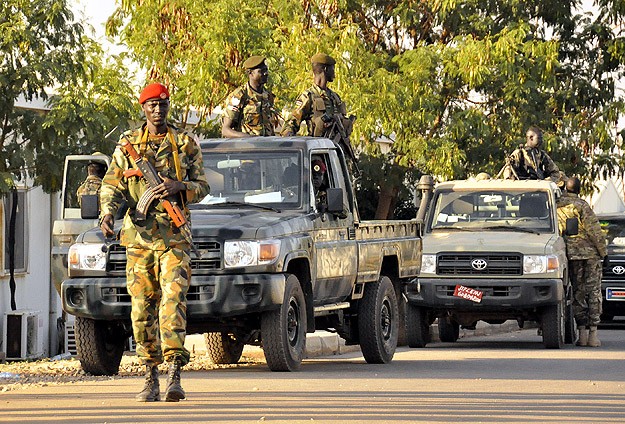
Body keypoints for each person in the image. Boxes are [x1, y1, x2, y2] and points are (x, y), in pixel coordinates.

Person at [99, 82, 209, 402]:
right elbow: (111, 185)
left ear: (168, 106)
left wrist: (179, 186)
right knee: (141, 308)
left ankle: (174, 374)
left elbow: (202, 188)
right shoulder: (129, 145)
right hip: (139, 238)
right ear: (143, 108)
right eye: (151, 105)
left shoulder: (185, 144)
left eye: (162, 105)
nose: (157, 110)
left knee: (172, 301)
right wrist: (107, 213)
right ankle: (150, 376)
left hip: (175, 237)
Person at [556, 176, 607, 347]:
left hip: (572, 255)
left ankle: (582, 334)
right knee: (593, 292)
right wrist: (604, 254)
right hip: (590, 255)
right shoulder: (582, 205)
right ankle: (593, 335)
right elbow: (594, 231)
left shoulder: (557, 206)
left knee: (578, 292)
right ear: (578, 189)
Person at [281, 53, 356, 162]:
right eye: (332, 69)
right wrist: (290, 146)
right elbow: (291, 123)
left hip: (338, 154)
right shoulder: (309, 96)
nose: (334, 72)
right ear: (325, 69)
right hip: (318, 154)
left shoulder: (335, 97)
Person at [221, 55, 278, 137]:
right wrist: (249, 138)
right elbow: (226, 130)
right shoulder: (239, 95)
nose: (266, 73)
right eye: (261, 71)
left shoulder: (268, 96)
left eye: (266, 70)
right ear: (250, 73)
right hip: (247, 147)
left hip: (266, 146)